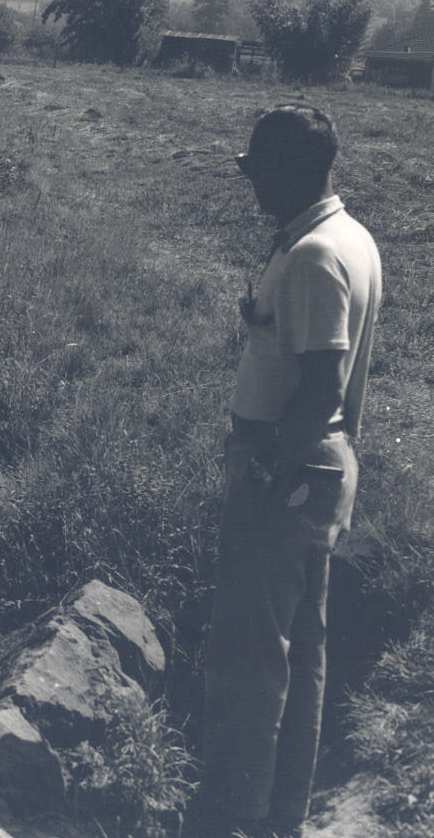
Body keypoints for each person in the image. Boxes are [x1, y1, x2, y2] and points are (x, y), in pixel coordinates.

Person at [198, 104, 382, 838]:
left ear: (290, 169)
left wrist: (270, 470)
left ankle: (233, 811)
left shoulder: (313, 255)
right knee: (303, 645)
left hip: (289, 462)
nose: (252, 186)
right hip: (325, 464)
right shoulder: (350, 238)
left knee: (250, 646)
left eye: (259, 171)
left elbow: (321, 384)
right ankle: (283, 810)